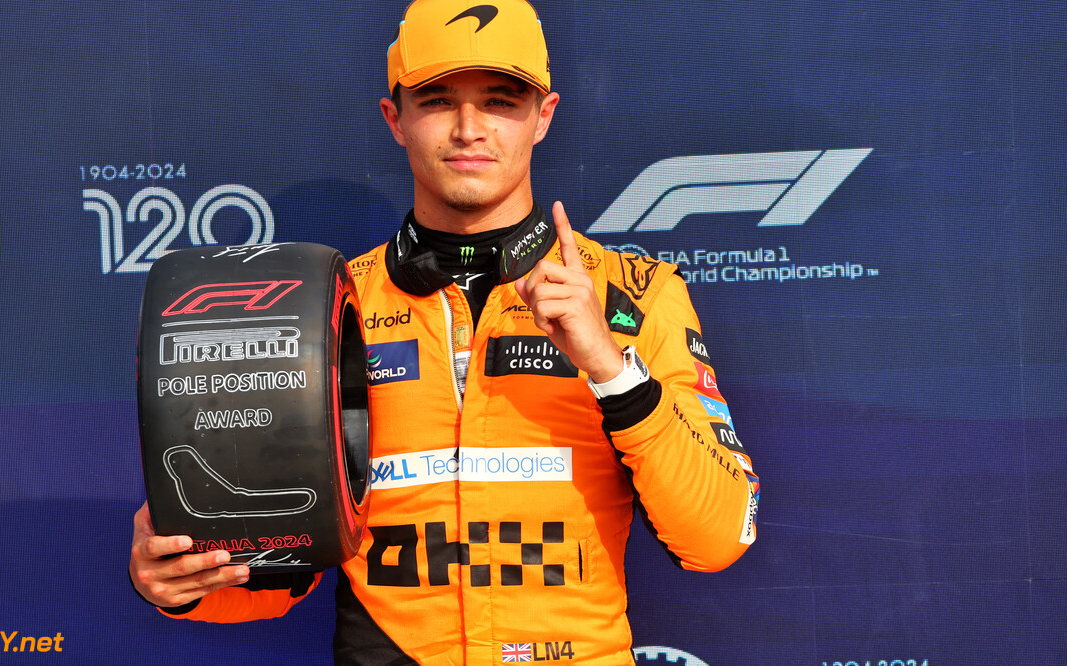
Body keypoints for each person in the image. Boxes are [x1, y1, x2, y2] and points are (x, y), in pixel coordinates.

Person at [129, 1, 759, 663]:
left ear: (543, 116)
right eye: (436, 101)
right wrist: (179, 580)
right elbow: (275, 573)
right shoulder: (323, 309)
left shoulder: (636, 295)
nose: (468, 129)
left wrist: (609, 364)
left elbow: (717, 537)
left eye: (499, 101)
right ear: (393, 118)